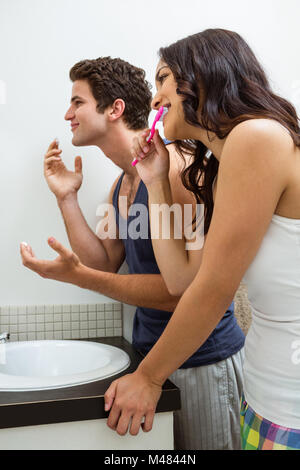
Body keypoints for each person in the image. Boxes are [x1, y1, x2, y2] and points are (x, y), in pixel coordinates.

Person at [20, 55, 245, 450]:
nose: (67, 113)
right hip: (153, 356)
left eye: (78, 102)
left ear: (115, 109)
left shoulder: (175, 170)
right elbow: (105, 262)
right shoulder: (121, 184)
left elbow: (184, 292)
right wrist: (67, 198)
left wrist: (81, 277)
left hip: (201, 361)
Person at [102, 29, 300, 450]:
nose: (154, 100)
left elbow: (213, 289)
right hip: (267, 400)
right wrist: (155, 181)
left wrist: (149, 377)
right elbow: (182, 280)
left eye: (162, 79)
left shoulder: (257, 137)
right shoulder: (222, 162)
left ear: (201, 77)